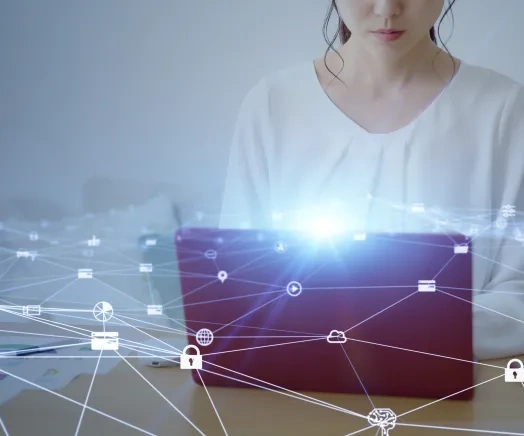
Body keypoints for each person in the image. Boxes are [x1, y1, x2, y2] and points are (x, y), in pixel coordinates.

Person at [219, 0, 524, 361]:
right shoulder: (272, 104)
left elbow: (516, 295)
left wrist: (394, 335)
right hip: (296, 386)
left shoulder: (504, 109)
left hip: (454, 392)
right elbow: (235, 283)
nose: (386, 9)